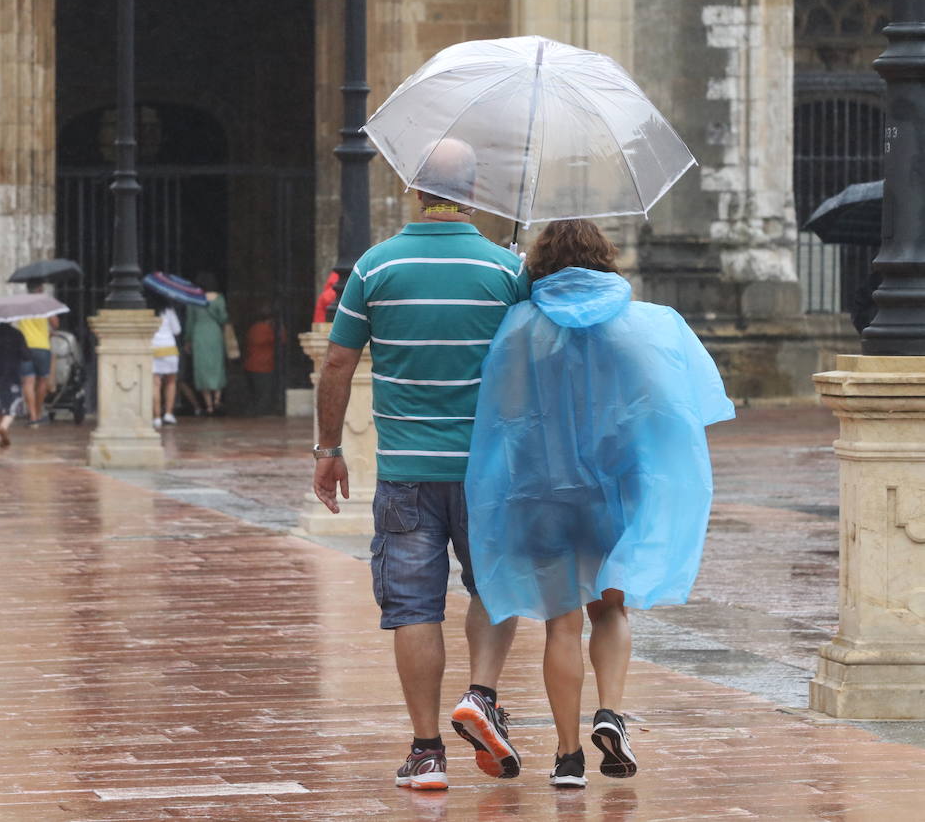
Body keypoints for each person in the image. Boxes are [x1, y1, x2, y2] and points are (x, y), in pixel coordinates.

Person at [466, 220, 735, 789]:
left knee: (561, 624)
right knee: (610, 608)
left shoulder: (518, 325)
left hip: (543, 494)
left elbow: (502, 412)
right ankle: (610, 711)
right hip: (615, 490)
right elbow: (684, 404)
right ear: (603, 258)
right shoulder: (651, 323)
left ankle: (567, 758)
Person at [312, 139, 530, 791]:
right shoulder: (505, 271)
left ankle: (428, 751)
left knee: (413, 607)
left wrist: (329, 450)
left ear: (415, 189)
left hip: (406, 469)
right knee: (495, 586)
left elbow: (337, 365)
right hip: (488, 469)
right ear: (472, 193)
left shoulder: (375, 269)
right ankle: (482, 695)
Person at [15, 279, 58, 427]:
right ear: (40, 289)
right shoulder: (44, 303)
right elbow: (55, 323)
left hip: (25, 346)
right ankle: (38, 413)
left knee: (28, 382)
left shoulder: (20, 304)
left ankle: (32, 417)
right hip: (42, 346)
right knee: (42, 381)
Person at [184, 272, 229, 415]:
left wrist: (188, 340)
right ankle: (217, 399)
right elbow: (223, 318)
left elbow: (190, 322)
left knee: (201, 368)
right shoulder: (219, 298)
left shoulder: (194, 299)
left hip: (199, 335)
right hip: (214, 334)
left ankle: (208, 405)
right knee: (217, 367)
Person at [242, 309, 283, 415]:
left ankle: (255, 412)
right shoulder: (266, 329)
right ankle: (261, 414)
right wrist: (280, 328)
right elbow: (282, 339)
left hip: (251, 365)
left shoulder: (253, 328)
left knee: (255, 393)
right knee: (264, 394)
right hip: (264, 366)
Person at [151, 301, 183, 429]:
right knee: (171, 382)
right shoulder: (169, 311)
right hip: (169, 348)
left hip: (153, 348)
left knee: (155, 384)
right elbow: (177, 330)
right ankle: (168, 414)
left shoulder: (147, 311)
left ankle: (157, 417)